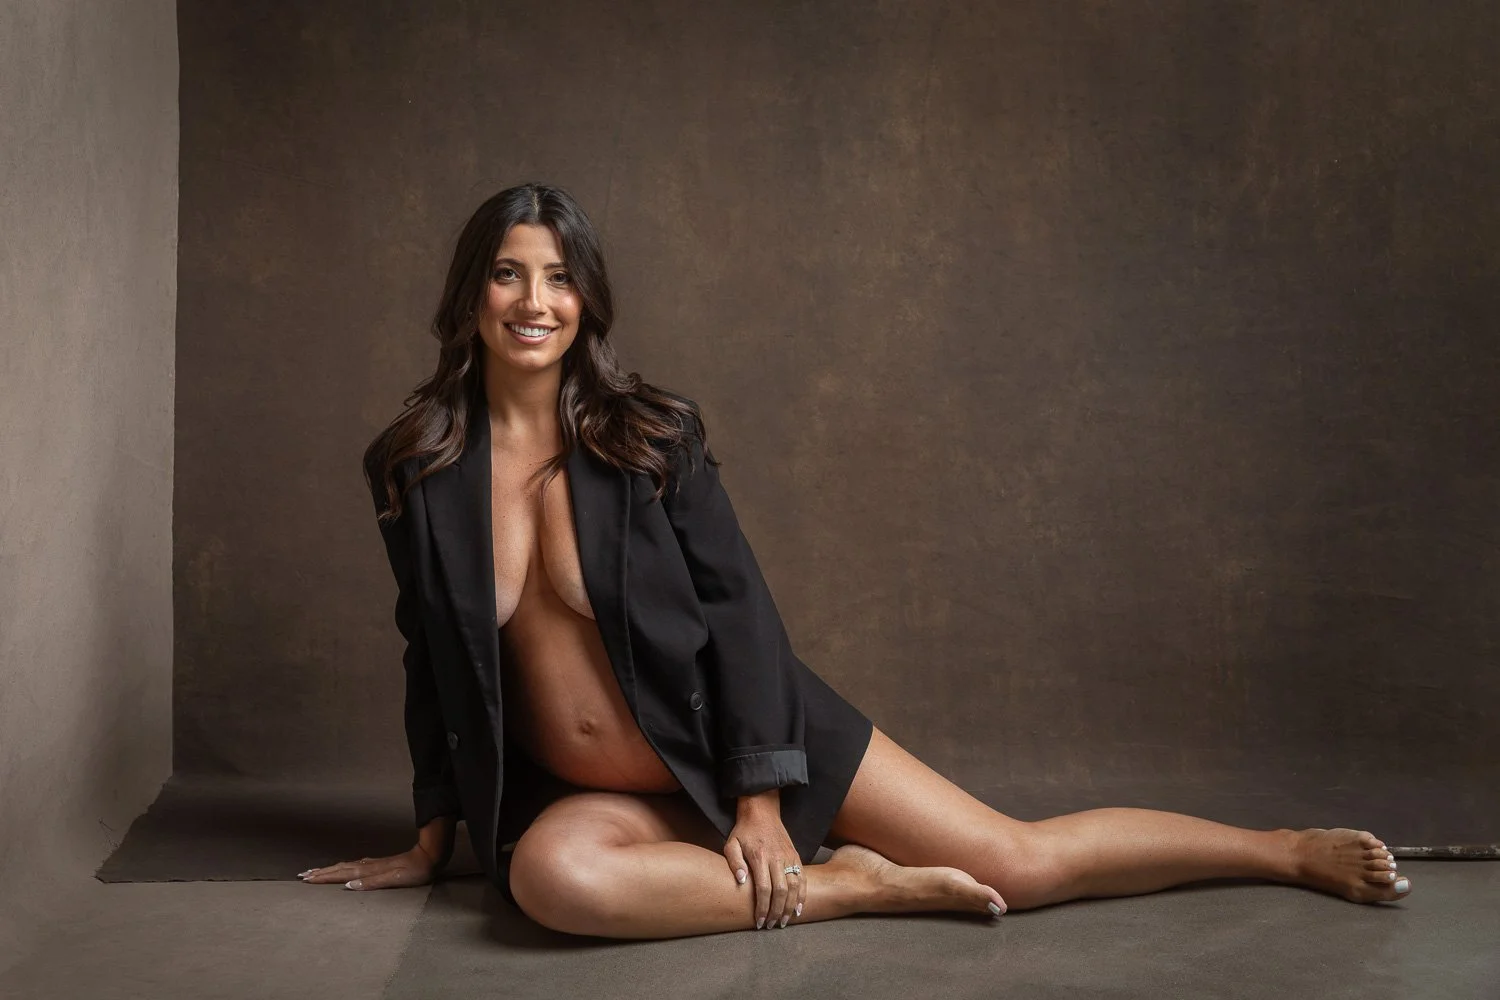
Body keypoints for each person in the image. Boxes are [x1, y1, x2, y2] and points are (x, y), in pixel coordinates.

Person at [298, 183, 1413, 939]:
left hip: (741, 740)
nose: (532, 302)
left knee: (1015, 861)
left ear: (586, 299)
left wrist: (761, 798)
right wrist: (435, 829)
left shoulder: (650, 437)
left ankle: (1282, 851)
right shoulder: (418, 466)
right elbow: (428, 656)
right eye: (506, 274)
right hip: (601, 798)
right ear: (470, 295)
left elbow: (743, 618)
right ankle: (850, 893)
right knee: (549, 884)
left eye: (556, 277)